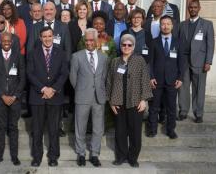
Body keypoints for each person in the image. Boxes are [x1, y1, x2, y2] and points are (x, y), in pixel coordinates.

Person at [106, 34, 152, 168]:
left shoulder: (140, 60)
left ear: (133, 47)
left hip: (135, 101)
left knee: (135, 132)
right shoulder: (115, 61)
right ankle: (120, 156)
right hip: (118, 101)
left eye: (129, 45)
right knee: (120, 131)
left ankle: (133, 158)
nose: (126, 47)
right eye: (123, 45)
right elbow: (109, 82)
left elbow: (145, 80)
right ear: (120, 46)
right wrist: (111, 101)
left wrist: (144, 100)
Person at [27, 27, 69, 167]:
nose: (47, 39)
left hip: (55, 97)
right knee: (37, 130)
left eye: (49, 36)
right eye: (44, 36)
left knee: (54, 129)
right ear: (40, 38)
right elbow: (30, 73)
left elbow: (64, 74)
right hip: (37, 96)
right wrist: (43, 88)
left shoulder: (61, 53)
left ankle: (53, 156)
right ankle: (37, 157)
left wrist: (53, 89)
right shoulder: (33, 53)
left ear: (53, 37)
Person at [70, 28, 108, 167]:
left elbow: (104, 77)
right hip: (82, 96)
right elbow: (73, 78)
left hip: (99, 97)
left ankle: (94, 154)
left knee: (98, 128)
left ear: (96, 41)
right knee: (80, 127)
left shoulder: (104, 57)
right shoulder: (76, 56)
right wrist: (81, 90)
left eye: (92, 40)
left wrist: (101, 91)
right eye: (87, 40)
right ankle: (80, 153)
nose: (89, 43)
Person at [0, 33, 25, 166]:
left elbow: (22, 78)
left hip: (15, 99)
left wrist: (15, 95)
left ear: (12, 42)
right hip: (0, 99)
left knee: (13, 128)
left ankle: (14, 156)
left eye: (8, 41)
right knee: (0, 128)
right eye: (4, 41)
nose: (6, 43)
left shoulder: (19, 56)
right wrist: (2, 96)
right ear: (0, 41)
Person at [147, 15, 184, 139]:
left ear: (172, 26)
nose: (166, 26)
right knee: (154, 107)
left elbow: (181, 62)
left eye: (168, 24)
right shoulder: (153, 42)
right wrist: (151, 77)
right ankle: (152, 129)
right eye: (163, 24)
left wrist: (180, 78)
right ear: (160, 26)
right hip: (156, 81)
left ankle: (170, 130)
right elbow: (150, 62)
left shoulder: (178, 42)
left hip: (172, 81)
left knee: (171, 107)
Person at [178, 0, 215, 123]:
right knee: (182, 87)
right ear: (188, 9)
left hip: (200, 61)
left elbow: (210, 44)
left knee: (198, 88)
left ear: (199, 8)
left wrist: (208, 61)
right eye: (190, 7)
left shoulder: (207, 24)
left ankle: (198, 113)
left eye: (195, 7)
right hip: (184, 61)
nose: (192, 9)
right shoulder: (182, 24)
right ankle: (183, 111)